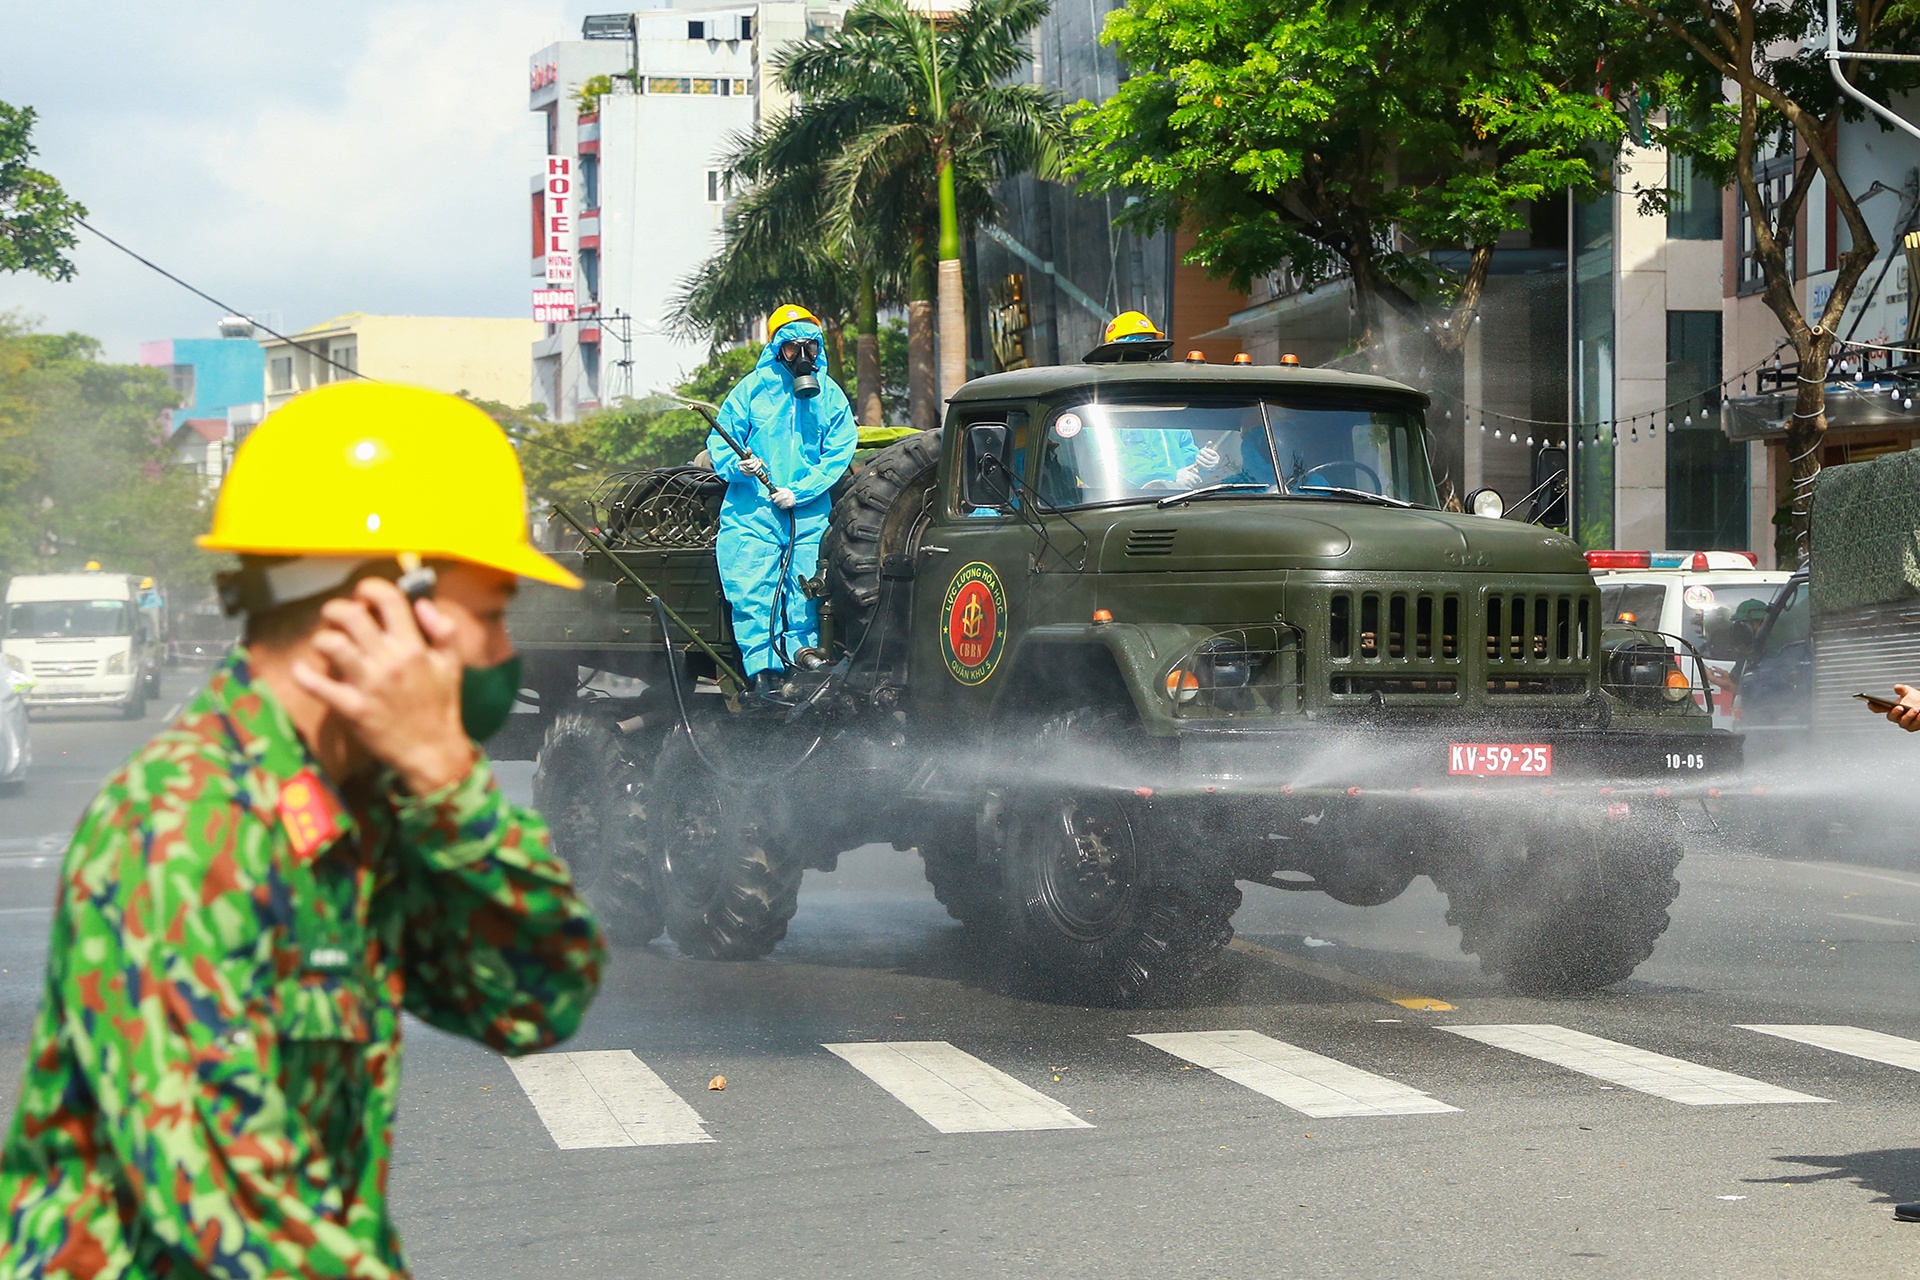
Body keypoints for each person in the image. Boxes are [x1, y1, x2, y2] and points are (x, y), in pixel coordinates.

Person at [0, 382, 606, 1277]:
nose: (500, 654)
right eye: (488, 615)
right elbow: (219, 1204)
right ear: (385, 611)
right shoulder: (183, 826)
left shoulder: (364, 811)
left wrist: (448, 780)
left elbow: (536, 997)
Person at [708, 303, 858, 701]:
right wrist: (741, 465)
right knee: (752, 590)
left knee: (807, 592)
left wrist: (803, 490)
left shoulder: (829, 395)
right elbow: (720, 443)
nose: (801, 356)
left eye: (809, 347)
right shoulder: (752, 389)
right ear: (776, 348)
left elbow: (840, 450)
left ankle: (802, 664)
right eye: (791, 349)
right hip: (751, 512)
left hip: (807, 516)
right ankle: (762, 673)